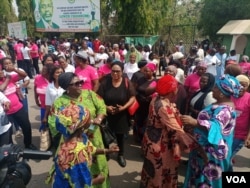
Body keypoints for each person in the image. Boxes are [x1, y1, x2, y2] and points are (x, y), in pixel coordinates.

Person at [48, 72, 111, 188]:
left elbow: (102, 106)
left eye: (81, 82)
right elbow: (53, 124)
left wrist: (99, 117)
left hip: (93, 138)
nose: (81, 85)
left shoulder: (89, 94)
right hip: (72, 141)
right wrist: (73, 129)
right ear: (67, 87)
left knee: (98, 164)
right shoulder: (59, 102)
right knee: (76, 172)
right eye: (76, 83)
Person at [140, 75, 202, 188]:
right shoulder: (164, 107)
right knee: (160, 172)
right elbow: (177, 130)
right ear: (172, 90)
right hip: (161, 144)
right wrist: (198, 147)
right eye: (176, 87)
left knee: (152, 170)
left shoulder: (156, 99)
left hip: (151, 140)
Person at [181, 74, 242, 188]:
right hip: (204, 150)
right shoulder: (219, 104)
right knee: (198, 177)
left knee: (207, 182)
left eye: (215, 87)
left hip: (212, 153)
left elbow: (215, 126)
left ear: (221, 92)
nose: (212, 89)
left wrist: (194, 122)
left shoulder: (225, 110)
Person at [49, 105, 119, 187]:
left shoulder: (72, 137)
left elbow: (90, 149)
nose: (91, 120)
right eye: (89, 119)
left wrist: (107, 151)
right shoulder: (78, 154)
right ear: (82, 126)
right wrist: (98, 180)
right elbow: (81, 183)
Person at [97, 62, 136, 168]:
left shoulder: (127, 82)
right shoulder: (105, 82)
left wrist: (123, 107)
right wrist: (106, 107)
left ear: (122, 71)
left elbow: (132, 97)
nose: (115, 73)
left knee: (120, 135)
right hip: (106, 113)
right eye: (113, 71)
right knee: (105, 134)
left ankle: (121, 154)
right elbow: (98, 97)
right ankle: (107, 152)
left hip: (121, 114)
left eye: (117, 71)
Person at [0, 57, 37, 150]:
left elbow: (24, 75)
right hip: (6, 112)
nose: (8, 66)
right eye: (5, 64)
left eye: (9, 63)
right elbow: (1, 88)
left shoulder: (10, 76)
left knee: (26, 126)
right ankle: (11, 150)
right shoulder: (8, 78)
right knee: (7, 132)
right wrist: (8, 78)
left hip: (18, 108)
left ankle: (28, 144)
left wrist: (14, 69)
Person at [134, 63, 157, 142]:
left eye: (148, 71)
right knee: (138, 120)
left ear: (152, 71)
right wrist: (137, 95)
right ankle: (138, 136)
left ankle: (145, 139)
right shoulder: (140, 79)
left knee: (147, 122)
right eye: (144, 71)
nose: (145, 73)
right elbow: (135, 89)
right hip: (139, 104)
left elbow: (156, 94)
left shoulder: (156, 81)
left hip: (149, 105)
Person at [231, 75, 250, 168]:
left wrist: (248, 137)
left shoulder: (249, 98)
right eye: (239, 84)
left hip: (240, 135)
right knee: (225, 158)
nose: (242, 87)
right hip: (226, 134)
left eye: (245, 85)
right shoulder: (229, 95)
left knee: (227, 158)